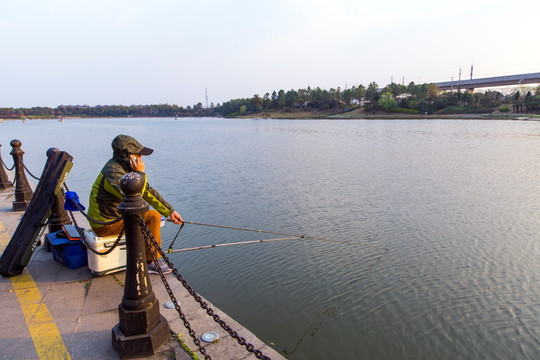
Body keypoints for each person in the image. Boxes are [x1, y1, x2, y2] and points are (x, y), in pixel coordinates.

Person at [88, 134, 183, 274]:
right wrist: (139, 173)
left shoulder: (122, 168)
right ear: (128, 155)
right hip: (105, 223)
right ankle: (151, 261)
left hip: (110, 218)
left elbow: (147, 191)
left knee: (150, 214)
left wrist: (169, 211)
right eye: (138, 154)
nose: (141, 158)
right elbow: (134, 195)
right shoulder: (113, 173)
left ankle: (149, 256)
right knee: (153, 217)